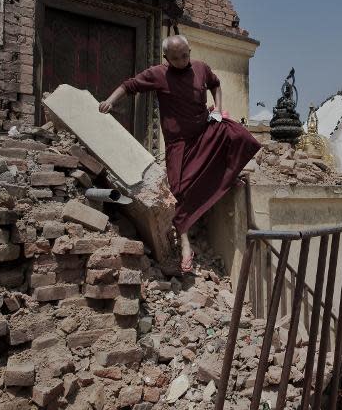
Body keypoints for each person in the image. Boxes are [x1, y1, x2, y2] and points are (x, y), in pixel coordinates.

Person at [99, 35, 261, 273]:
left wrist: (216, 108)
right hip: (178, 144)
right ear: (166, 58)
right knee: (178, 191)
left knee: (239, 135)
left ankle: (226, 176)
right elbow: (129, 85)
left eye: (184, 55)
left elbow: (216, 84)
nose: (181, 61)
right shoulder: (158, 74)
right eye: (175, 58)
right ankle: (186, 244)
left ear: (190, 51)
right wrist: (110, 101)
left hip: (204, 130)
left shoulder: (201, 68)